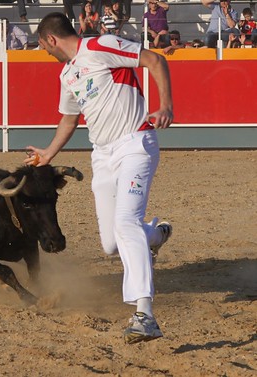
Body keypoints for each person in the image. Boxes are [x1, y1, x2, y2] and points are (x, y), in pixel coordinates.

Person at [25, 12, 173, 345]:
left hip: (135, 143)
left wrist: (166, 105)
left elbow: (153, 59)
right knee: (111, 243)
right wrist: (48, 154)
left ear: (51, 39)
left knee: (125, 223)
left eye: (43, 46)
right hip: (103, 156)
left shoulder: (100, 45)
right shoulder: (67, 74)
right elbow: (69, 119)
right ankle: (155, 235)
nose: (46, 53)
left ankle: (145, 314)